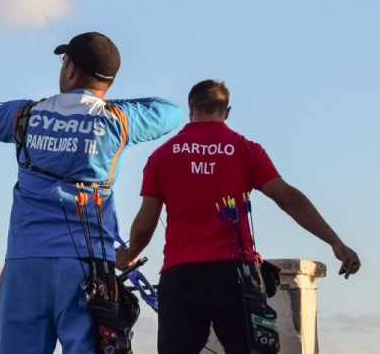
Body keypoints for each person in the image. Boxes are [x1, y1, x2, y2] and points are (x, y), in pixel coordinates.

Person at [0, 32, 182, 354]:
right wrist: (102, 108)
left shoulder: (25, 115)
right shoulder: (118, 120)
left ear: (71, 69)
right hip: (88, 269)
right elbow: (171, 111)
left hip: (25, 266)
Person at [115, 79, 360, 354]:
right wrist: (335, 242)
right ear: (227, 111)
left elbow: (146, 222)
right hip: (234, 275)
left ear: (191, 107)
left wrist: (130, 253)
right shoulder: (246, 150)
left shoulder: (162, 156)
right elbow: (289, 199)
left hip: (181, 274)